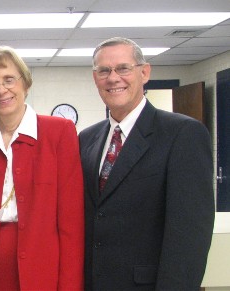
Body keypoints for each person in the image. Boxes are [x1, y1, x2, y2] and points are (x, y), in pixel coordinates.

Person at [79, 37, 215, 290]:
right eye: (104, 71)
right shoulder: (86, 139)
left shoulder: (182, 134)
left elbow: (189, 235)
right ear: (95, 78)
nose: (113, 78)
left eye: (123, 68)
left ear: (144, 72)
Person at [0, 46, 85, 290]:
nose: (1, 89)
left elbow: (72, 224)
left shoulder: (59, 133)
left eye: (9, 79)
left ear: (25, 83)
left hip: (44, 271)